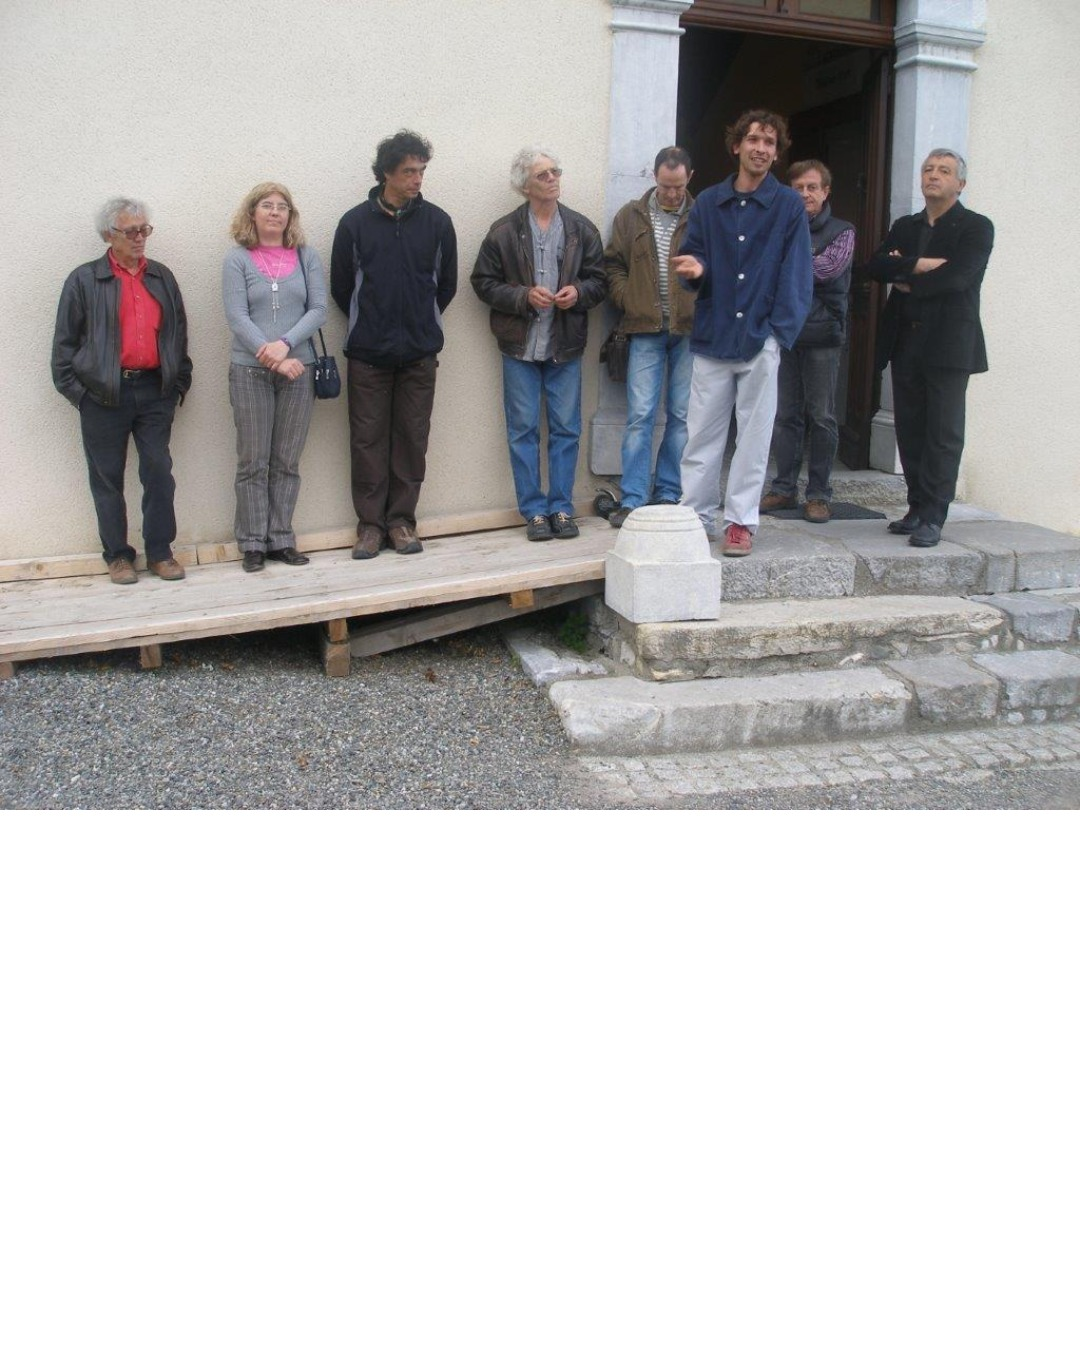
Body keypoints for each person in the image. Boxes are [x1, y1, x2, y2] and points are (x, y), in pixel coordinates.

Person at [673, 109, 812, 557]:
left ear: (776, 151)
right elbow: (693, 259)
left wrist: (777, 333)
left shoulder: (789, 205)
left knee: (754, 437)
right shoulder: (710, 203)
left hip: (759, 338)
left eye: (770, 142)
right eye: (754, 139)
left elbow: (797, 274)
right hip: (713, 336)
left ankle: (740, 522)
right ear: (737, 146)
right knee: (701, 434)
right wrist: (694, 272)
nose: (762, 148)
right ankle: (695, 516)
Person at [331, 130, 457, 560]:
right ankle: (369, 526)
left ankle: (401, 522)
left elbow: (446, 286)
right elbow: (342, 288)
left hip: (420, 354)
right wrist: (375, 325)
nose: (417, 179)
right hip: (368, 354)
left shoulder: (438, 223)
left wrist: (420, 324)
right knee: (366, 441)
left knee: (411, 440)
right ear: (386, 172)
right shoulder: (354, 224)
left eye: (421, 170)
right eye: (408, 171)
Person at [51, 197, 192, 584]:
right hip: (102, 396)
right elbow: (64, 347)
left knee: (159, 472)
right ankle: (117, 556)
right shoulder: (84, 280)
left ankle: (160, 553)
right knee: (107, 478)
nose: (140, 237)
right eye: (131, 231)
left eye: (145, 229)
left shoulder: (161, 276)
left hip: (153, 392)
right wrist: (80, 395)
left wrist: (178, 383)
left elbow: (178, 334)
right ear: (107, 235)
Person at [471, 147, 606, 541]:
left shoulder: (582, 228)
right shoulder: (503, 231)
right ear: (524, 185)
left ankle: (562, 508)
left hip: (565, 346)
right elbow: (482, 282)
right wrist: (521, 296)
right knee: (522, 430)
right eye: (544, 174)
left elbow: (600, 280)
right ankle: (533, 511)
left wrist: (578, 293)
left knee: (567, 429)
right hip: (520, 347)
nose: (553, 178)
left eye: (556, 171)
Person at [867, 149, 993, 548]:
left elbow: (958, 278)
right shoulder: (905, 226)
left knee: (943, 432)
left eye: (943, 171)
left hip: (949, 345)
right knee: (911, 428)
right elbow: (876, 266)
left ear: (960, 184)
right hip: (906, 341)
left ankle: (935, 515)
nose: (933, 176)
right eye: (927, 169)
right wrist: (920, 264)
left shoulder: (975, 227)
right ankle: (915, 507)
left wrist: (906, 274)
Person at [223, 182, 327, 573]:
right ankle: (252, 542)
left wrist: (286, 344)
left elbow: (318, 309)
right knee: (253, 460)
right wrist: (272, 357)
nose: (274, 212)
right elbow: (236, 316)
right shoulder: (237, 259)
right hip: (250, 371)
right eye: (266, 205)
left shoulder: (306, 256)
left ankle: (281, 537)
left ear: (290, 216)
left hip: (299, 370)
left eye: (282, 206)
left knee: (287, 459)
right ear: (252, 213)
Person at [603, 146, 696, 528]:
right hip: (643, 327)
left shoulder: (704, 215)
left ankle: (669, 492)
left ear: (690, 177)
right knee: (640, 415)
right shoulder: (631, 215)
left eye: (677, 187)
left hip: (690, 330)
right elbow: (613, 265)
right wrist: (628, 300)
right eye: (664, 186)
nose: (671, 194)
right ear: (654, 178)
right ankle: (634, 497)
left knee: (681, 415)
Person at [760, 159, 854, 523]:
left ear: (825, 192)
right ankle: (784, 490)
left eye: (812, 187)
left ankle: (818, 495)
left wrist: (786, 263)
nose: (804, 194)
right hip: (785, 333)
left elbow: (829, 269)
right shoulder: (779, 227)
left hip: (822, 334)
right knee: (785, 416)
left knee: (822, 416)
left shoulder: (842, 231)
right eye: (798, 188)